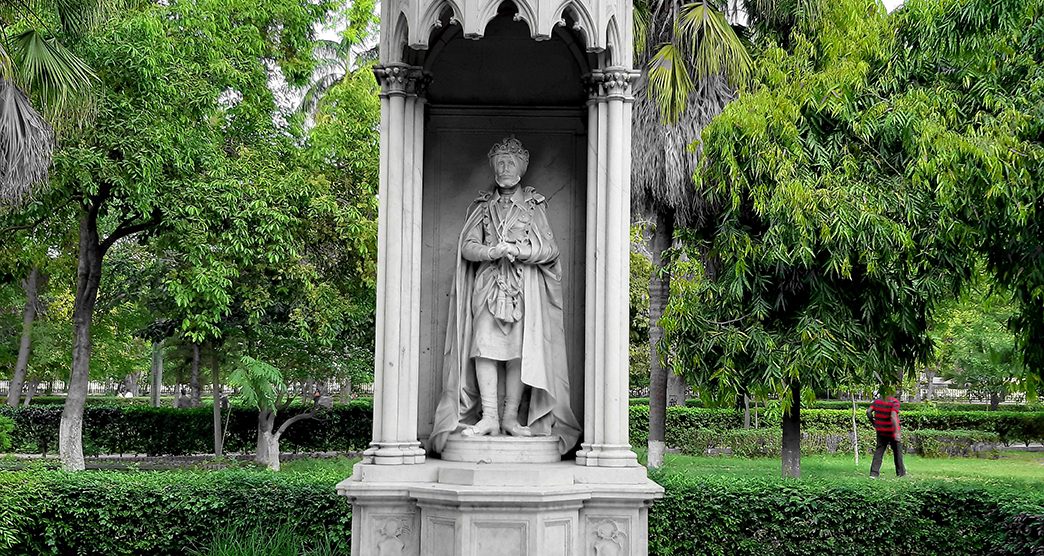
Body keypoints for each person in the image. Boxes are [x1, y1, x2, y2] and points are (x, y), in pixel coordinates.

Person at [430, 136, 581, 454]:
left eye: (510, 162)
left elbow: (550, 248)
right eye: (499, 163)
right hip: (487, 286)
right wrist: (491, 251)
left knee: (518, 353)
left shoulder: (535, 206)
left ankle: (511, 418)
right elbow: (467, 248)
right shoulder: (482, 207)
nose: (504, 168)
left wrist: (519, 250)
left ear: (522, 168)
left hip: (523, 288)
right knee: (483, 349)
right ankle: (490, 418)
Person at [868, 385, 906, 478]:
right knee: (897, 453)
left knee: (879, 451)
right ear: (891, 392)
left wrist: (873, 422)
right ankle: (901, 474)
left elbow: (868, 412)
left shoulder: (877, 402)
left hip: (881, 431)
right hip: (892, 432)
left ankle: (873, 474)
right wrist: (897, 432)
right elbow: (893, 416)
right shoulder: (894, 402)